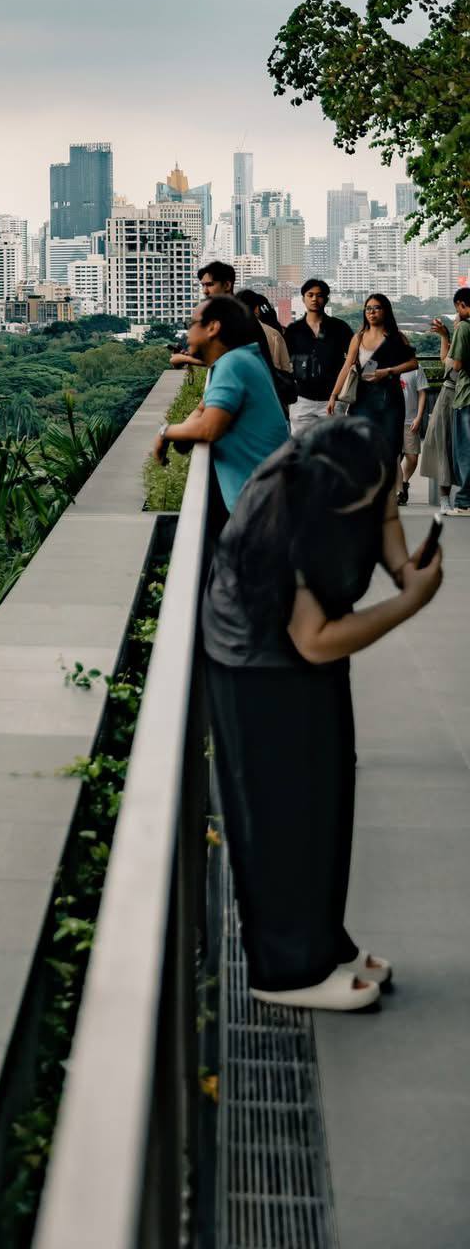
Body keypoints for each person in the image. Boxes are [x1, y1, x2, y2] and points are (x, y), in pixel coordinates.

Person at [201, 416, 443, 1010]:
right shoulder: (290, 519)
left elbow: (382, 509)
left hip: (301, 663)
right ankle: (284, 971)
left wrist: (403, 567)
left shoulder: (354, 451)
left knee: (327, 799)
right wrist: (409, 601)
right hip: (255, 666)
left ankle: (324, 944)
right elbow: (314, 638)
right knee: (283, 817)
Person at [152, 295, 290, 514]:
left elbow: (209, 428)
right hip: (270, 500)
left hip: (264, 510)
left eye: (191, 324)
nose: (187, 333)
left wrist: (165, 432)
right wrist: (181, 435)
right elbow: (202, 410)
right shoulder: (240, 359)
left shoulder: (233, 365)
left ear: (212, 328)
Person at [326, 293, 418, 462]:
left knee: (390, 448)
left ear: (385, 311)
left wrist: (388, 371)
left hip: (390, 400)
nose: (372, 312)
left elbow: (413, 363)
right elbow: (347, 366)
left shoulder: (396, 337)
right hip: (363, 399)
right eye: (368, 308)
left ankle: (391, 487)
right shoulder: (359, 337)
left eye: (377, 308)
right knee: (362, 446)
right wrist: (333, 396)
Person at [284, 279, 355, 436]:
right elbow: (283, 363)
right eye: (310, 295)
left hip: (332, 399)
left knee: (333, 450)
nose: (314, 299)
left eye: (319, 295)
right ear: (303, 298)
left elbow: (353, 359)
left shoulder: (339, 328)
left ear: (326, 299)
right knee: (301, 450)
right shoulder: (293, 330)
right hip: (301, 399)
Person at [421, 315, 459, 510]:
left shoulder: (463, 342)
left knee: (451, 444)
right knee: (443, 442)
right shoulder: (457, 342)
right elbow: (445, 360)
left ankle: (450, 499)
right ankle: (445, 499)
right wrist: (445, 337)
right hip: (448, 394)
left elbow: (454, 365)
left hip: (457, 395)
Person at [445, 286, 470, 518]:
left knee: (465, 451)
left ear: (461, 305)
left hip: (466, 396)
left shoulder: (463, 327)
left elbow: (456, 364)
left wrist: (454, 331)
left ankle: (464, 502)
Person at [398, 360, 427, 505]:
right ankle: (399, 491)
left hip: (410, 420)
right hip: (392, 419)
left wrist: (419, 417)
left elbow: (422, 393)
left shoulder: (416, 367)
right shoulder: (385, 364)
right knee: (393, 458)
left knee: (412, 457)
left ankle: (404, 483)